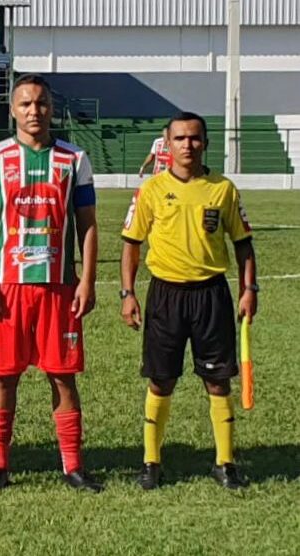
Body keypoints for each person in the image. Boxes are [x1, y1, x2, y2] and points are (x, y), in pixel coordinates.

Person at [0, 74, 102, 493]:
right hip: (8, 288)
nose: (34, 111)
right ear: (12, 110)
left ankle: (73, 465)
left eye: (41, 103)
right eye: (25, 104)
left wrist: (87, 280)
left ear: (51, 108)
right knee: (3, 377)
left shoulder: (74, 159)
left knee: (63, 376)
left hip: (59, 287)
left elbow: (88, 226)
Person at [121, 111, 257, 490]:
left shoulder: (223, 189)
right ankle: (151, 462)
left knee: (218, 381)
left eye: (194, 138)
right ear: (167, 144)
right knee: (161, 380)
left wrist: (250, 289)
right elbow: (131, 244)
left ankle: (225, 463)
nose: (188, 145)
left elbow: (243, 244)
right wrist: (128, 293)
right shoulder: (151, 190)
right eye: (179, 138)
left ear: (205, 143)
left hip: (211, 295)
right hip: (165, 296)